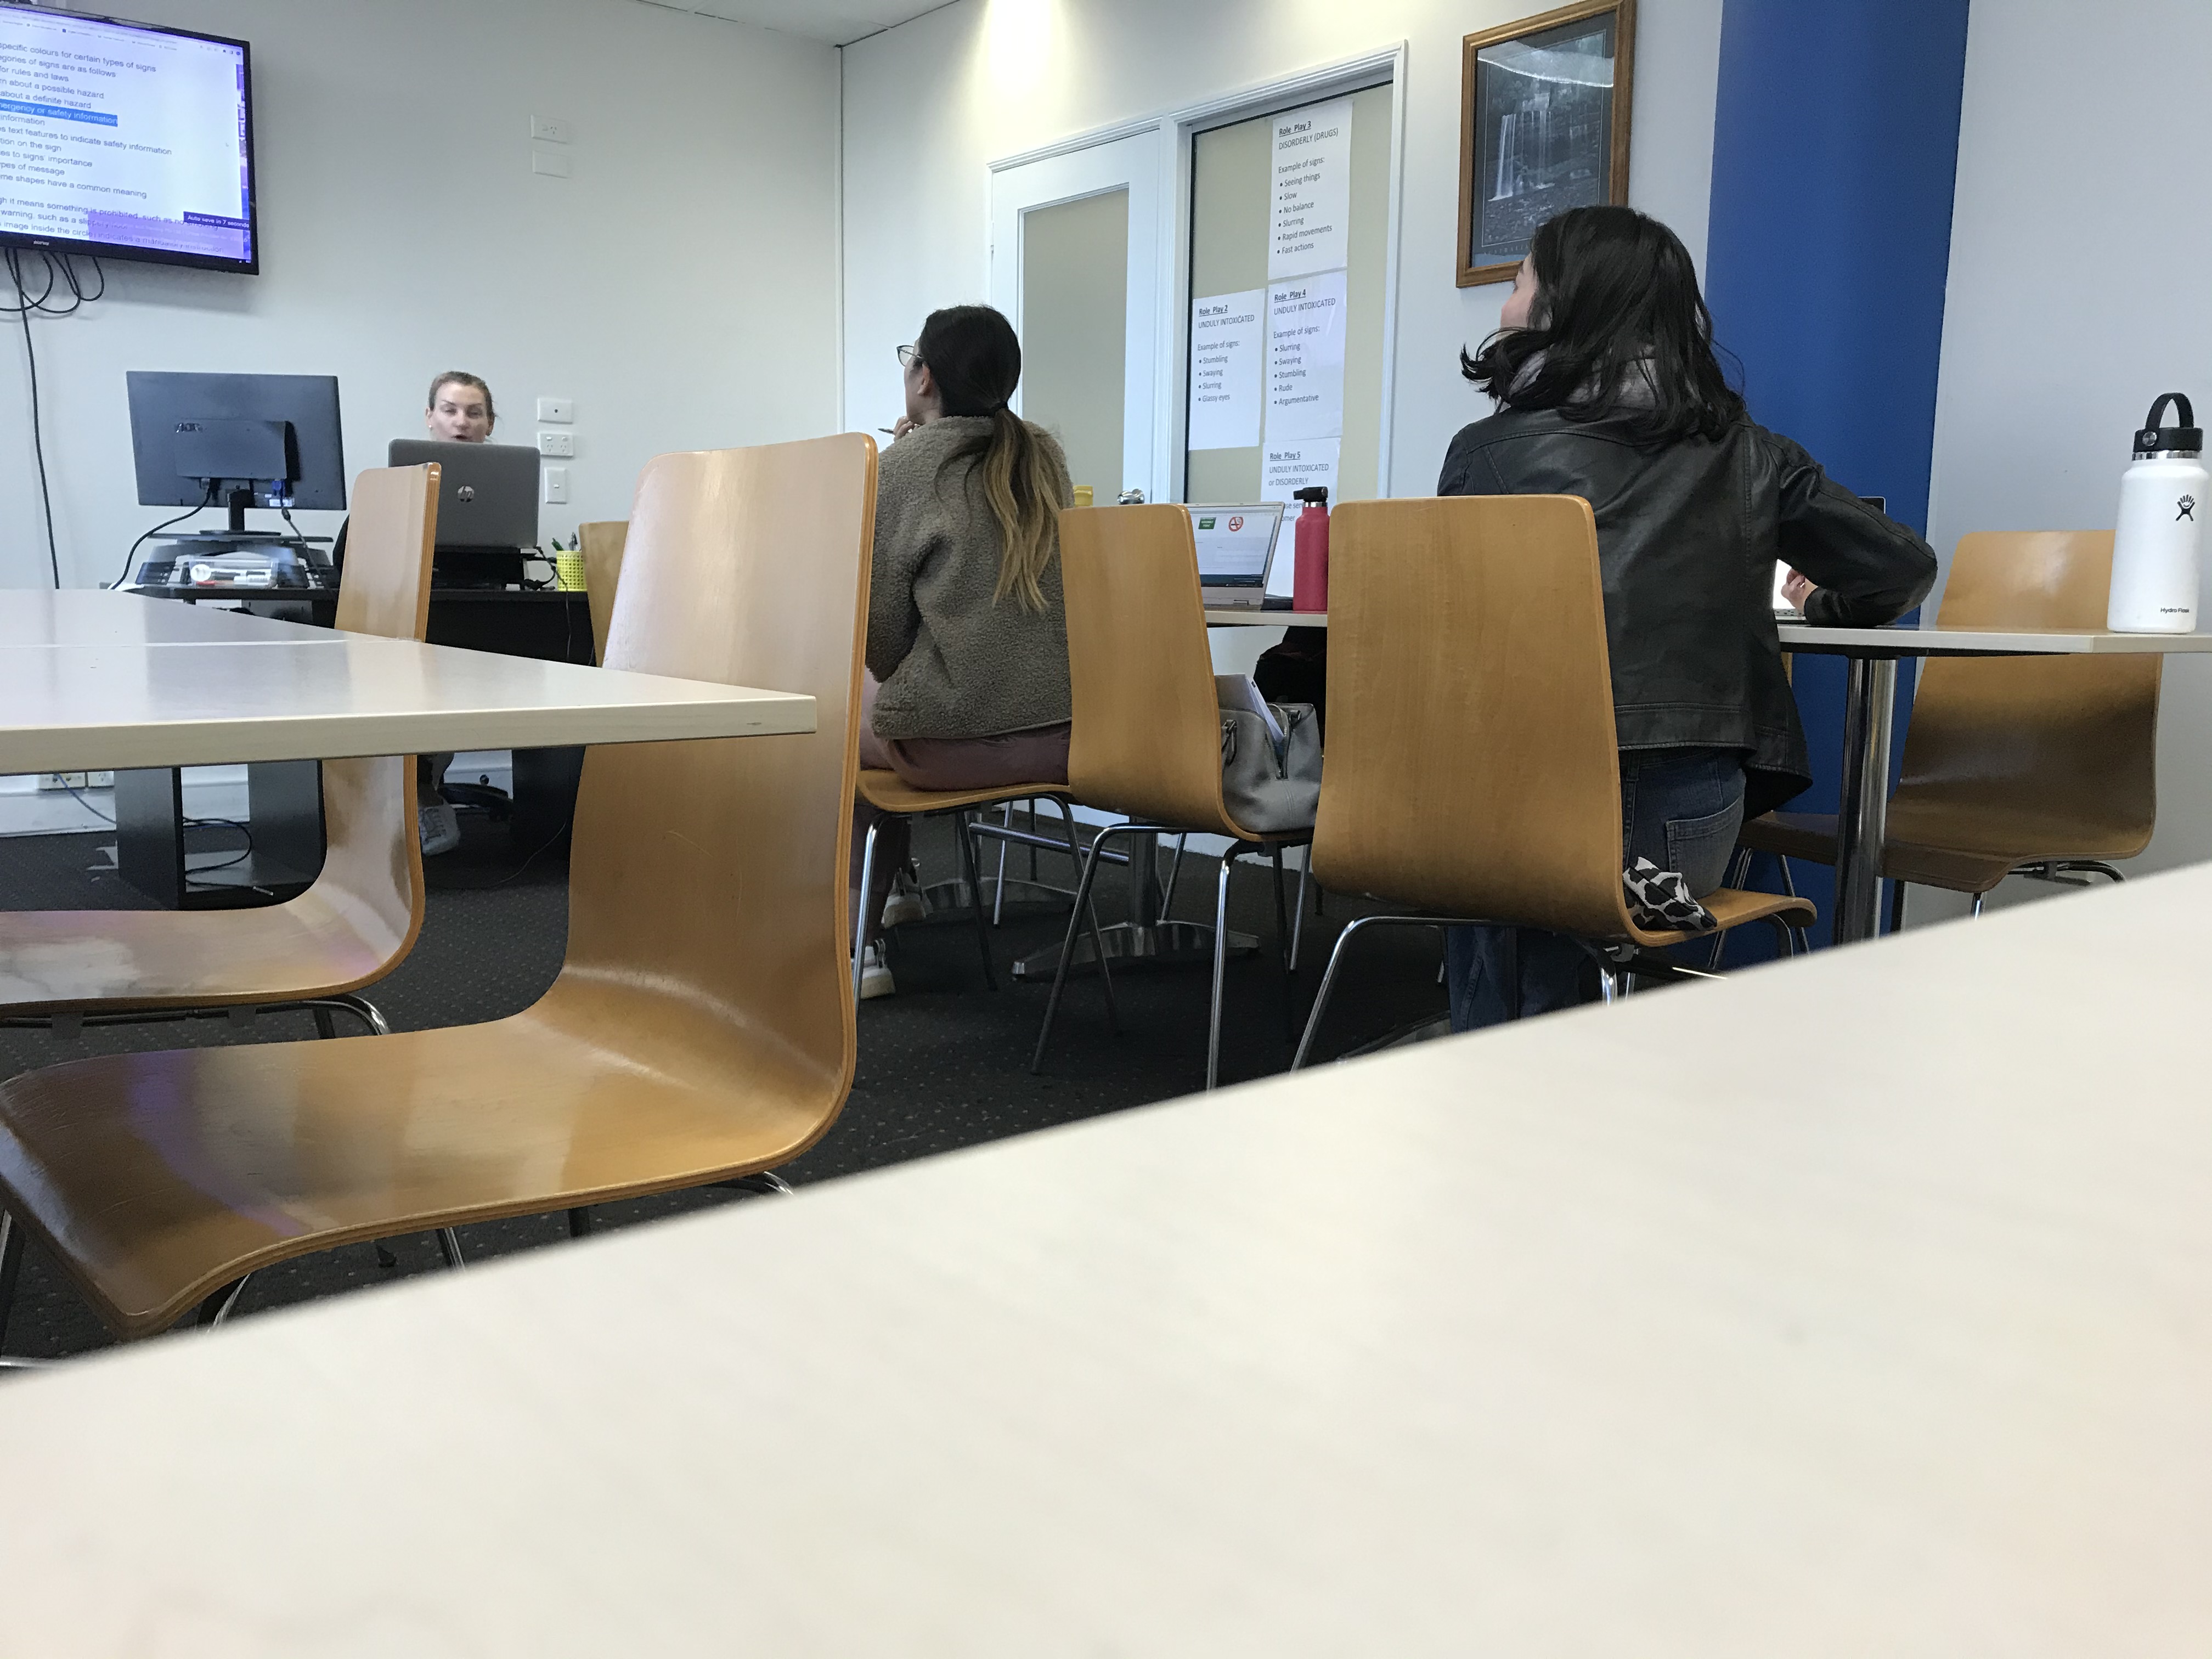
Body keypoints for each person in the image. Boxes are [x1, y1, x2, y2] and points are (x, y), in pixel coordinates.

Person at [1436, 204, 1937, 1031]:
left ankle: (1496, 1064)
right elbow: (1903, 568)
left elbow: (1451, 632)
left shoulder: (1484, 453)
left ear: (1562, 305)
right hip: (1676, 828)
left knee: (1503, 878)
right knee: (1542, 900)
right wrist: (1822, 602)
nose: (1504, 304)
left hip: (1509, 804)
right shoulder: (1749, 453)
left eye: (1518, 281)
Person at [854, 304, 1074, 998]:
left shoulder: (903, 467)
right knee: (889, 706)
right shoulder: (1044, 458)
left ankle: (857, 944)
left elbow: (879, 640)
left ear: (924, 377)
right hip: (1068, 740)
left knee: (833, 719)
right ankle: (899, 886)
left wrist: (901, 460)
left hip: (957, 746)